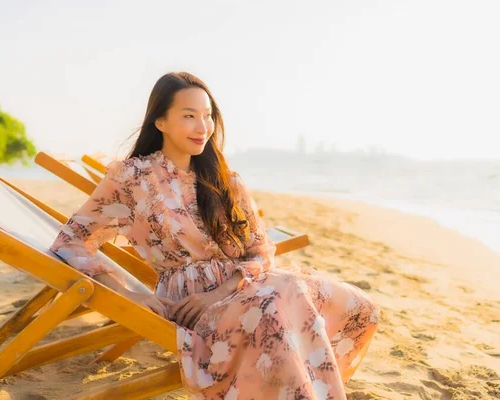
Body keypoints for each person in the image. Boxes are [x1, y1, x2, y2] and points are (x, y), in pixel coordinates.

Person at [50, 71, 378, 399]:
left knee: (354, 304)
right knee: (275, 304)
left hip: (239, 288)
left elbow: (261, 251)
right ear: (160, 122)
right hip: (190, 303)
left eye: (207, 116)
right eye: (189, 116)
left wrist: (219, 291)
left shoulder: (224, 179)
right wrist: (127, 295)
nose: (202, 126)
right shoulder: (134, 179)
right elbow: (71, 240)